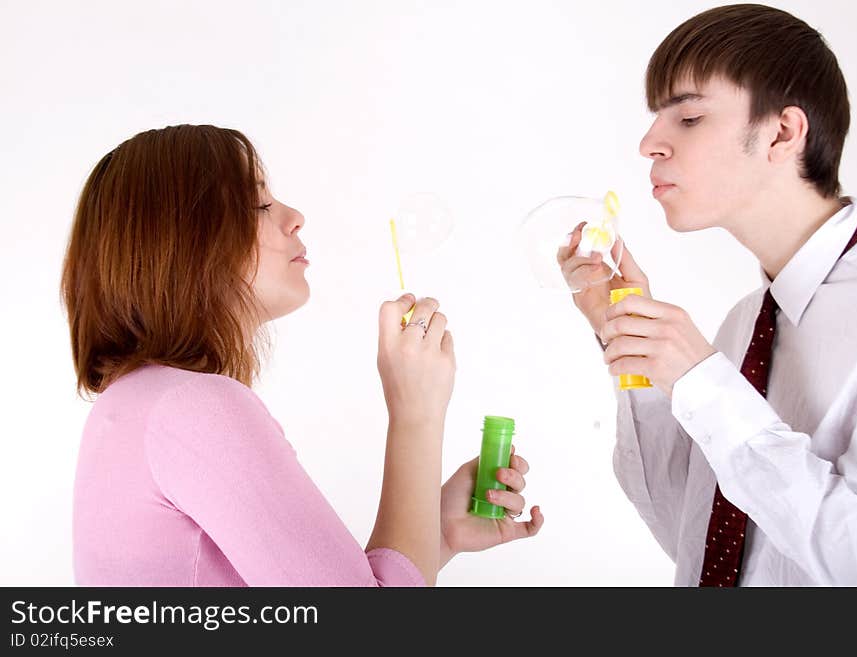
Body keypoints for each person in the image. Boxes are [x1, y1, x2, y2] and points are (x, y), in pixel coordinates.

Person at [62, 124, 542, 587]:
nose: (294, 216)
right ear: (181, 239)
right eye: (258, 204)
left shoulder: (133, 406)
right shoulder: (193, 408)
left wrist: (435, 530)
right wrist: (416, 412)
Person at [558, 4, 857, 585]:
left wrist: (705, 384)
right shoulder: (744, 325)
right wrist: (634, 350)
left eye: (688, 118)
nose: (649, 143)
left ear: (782, 132)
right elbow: (692, 536)